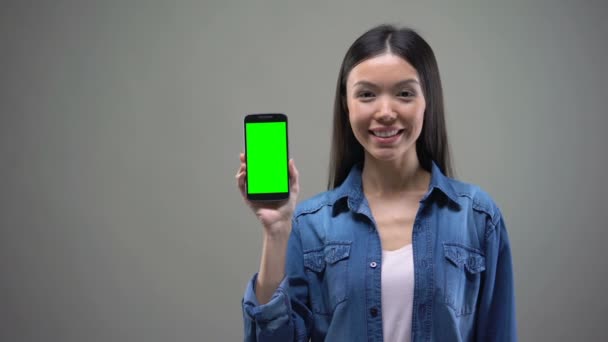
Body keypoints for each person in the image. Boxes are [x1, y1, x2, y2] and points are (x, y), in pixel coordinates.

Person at [236, 24, 516, 342]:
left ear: (428, 101)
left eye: (404, 93)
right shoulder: (311, 225)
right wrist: (276, 231)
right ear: (347, 103)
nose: (385, 112)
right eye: (367, 94)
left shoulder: (478, 218)